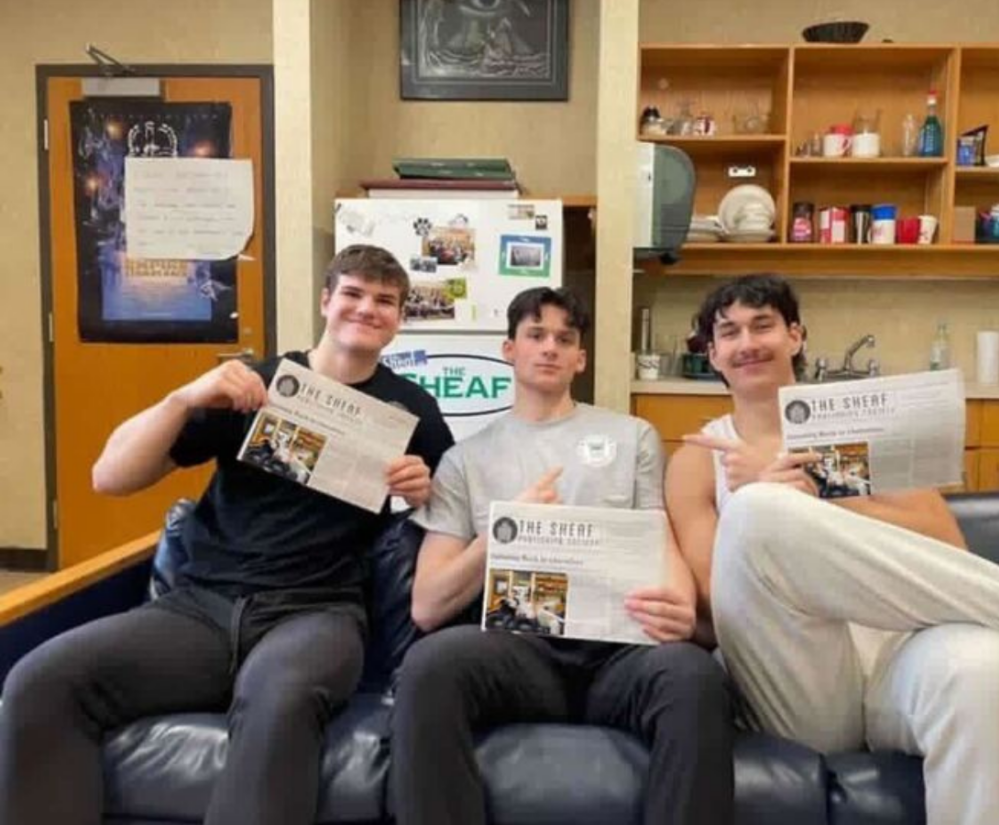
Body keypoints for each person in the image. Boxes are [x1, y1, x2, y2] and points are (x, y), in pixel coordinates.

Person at [0, 245, 454, 825]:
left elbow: (454, 509)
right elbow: (109, 477)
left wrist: (424, 490)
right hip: (199, 609)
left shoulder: (411, 409)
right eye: (353, 294)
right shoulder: (254, 386)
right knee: (41, 680)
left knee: (279, 700)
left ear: (399, 319)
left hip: (318, 612)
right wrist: (184, 396)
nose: (367, 309)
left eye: (385, 301)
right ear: (325, 300)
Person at [665, 273, 999, 825]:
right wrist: (772, 498)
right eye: (729, 332)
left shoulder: (862, 435)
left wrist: (821, 492)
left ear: (796, 336)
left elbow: (949, 549)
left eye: (763, 325)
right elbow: (717, 603)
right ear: (714, 354)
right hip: (796, 680)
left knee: (993, 675)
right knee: (755, 509)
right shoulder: (695, 461)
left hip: (899, 654)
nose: (747, 342)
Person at [391, 286, 736, 825]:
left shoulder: (633, 437)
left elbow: (659, 536)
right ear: (509, 350)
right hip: (520, 652)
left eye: (565, 338)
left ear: (581, 357)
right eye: (536, 335)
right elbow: (427, 607)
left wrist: (680, 606)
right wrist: (506, 531)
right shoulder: (464, 460)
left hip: (620, 650)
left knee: (693, 676)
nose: (550, 347)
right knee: (429, 665)